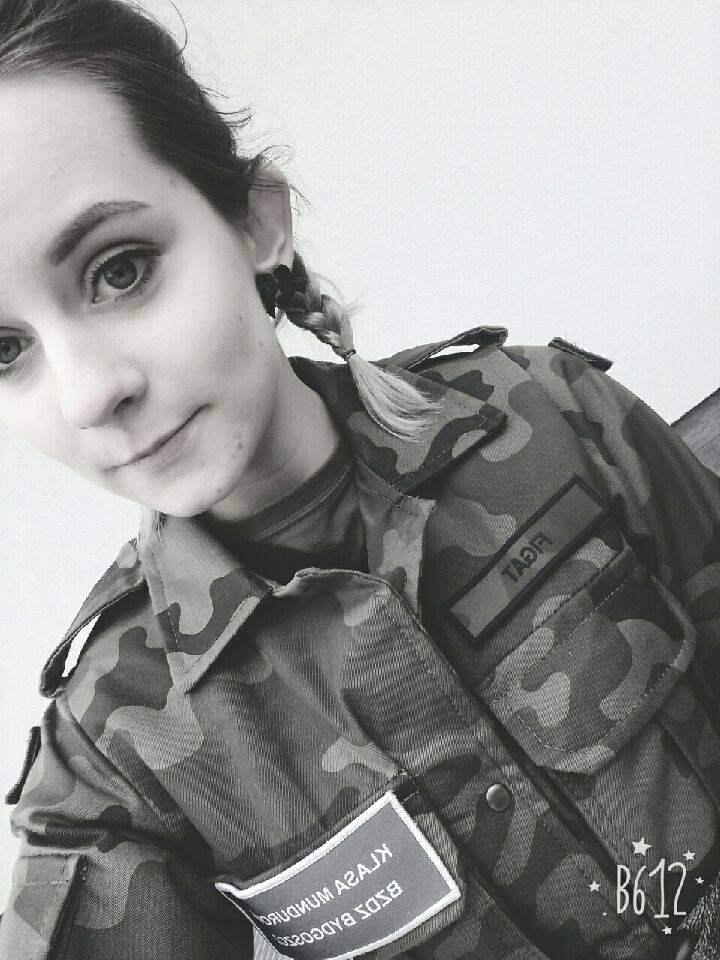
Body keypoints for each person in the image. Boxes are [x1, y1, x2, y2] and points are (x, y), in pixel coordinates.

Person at [0, 1, 718, 958]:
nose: (90, 394)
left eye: (121, 270)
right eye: (4, 349)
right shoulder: (116, 752)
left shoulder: (552, 418)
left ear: (255, 223)